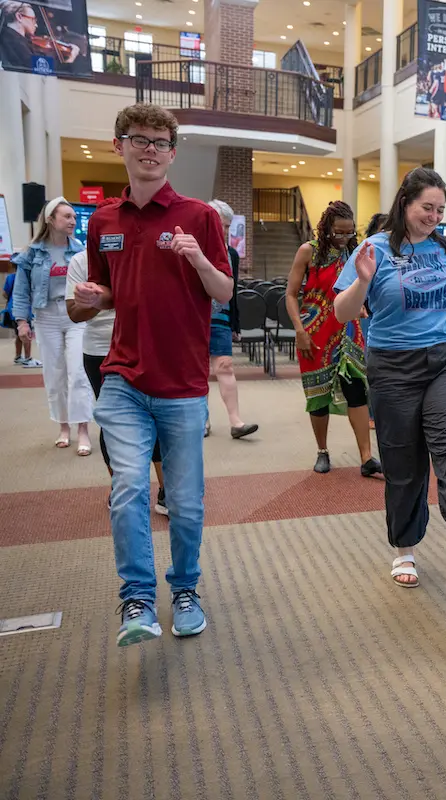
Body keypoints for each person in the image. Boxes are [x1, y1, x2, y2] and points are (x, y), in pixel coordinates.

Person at [73, 102, 233, 647]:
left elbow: (224, 291)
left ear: (172, 153)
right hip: (123, 378)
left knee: (184, 503)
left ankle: (185, 589)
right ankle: (137, 598)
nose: (150, 150)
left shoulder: (199, 217)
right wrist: (92, 297)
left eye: (161, 143)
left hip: (182, 384)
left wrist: (198, 259)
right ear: (119, 145)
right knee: (128, 489)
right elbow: (105, 293)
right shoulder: (103, 222)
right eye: (139, 139)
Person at [334, 167, 446, 588]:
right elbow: (343, 312)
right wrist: (362, 282)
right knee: (404, 463)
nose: (434, 217)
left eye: (440, 210)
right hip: (393, 365)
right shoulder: (374, 249)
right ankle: (405, 550)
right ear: (405, 204)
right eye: (426, 208)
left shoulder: (445, 248)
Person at [66, 248, 168, 515]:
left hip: (147, 345)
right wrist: (96, 301)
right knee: (111, 421)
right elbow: (73, 313)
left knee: (156, 415)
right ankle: (120, 486)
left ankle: (165, 489)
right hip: (100, 348)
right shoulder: (81, 260)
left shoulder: (142, 249)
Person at [286, 201, 381, 477]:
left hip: (349, 331)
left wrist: (362, 305)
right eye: (338, 232)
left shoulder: (356, 252)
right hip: (314, 332)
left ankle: (366, 457)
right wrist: (299, 331)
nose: (344, 237)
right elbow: (290, 294)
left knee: (357, 391)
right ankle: (322, 451)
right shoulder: (308, 251)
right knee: (318, 396)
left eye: (349, 232)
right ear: (326, 227)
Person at [12, 197, 94, 454]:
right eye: (67, 216)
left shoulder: (80, 250)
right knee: (55, 375)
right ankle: (64, 427)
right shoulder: (31, 253)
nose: (73, 221)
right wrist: (22, 322)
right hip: (45, 317)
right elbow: (21, 290)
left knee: (78, 373)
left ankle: (83, 429)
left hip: (75, 314)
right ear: (50, 219)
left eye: (74, 216)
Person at [205, 199, 258, 440]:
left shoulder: (232, 254)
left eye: (228, 226)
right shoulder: (194, 248)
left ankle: (236, 422)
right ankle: (202, 420)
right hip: (195, 319)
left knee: (225, 366)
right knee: (198, 371)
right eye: (221, 224)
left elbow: (232, 291)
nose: (225, 230)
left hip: (221, 317)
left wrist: (235, 324)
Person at [362, 212, 388, 430]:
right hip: (367, 316)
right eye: (383, 229)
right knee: (371, 365)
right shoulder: (365, 253)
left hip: (388, 319)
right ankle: (371, 413)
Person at [0, 2, 79, 68]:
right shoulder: (13, 40)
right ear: (19, 17)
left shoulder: (17, 39)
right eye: (33, 20)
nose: (36, 25)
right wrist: (70, 59)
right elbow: (37, 66)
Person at [2, 265, 34, 365]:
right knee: (27, 334)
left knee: (19, 334)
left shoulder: (10, 277)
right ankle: (28, 358)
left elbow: (4, 293)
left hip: (12, 308)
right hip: (24, 309)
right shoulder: (28, 276)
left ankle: (18, 356)